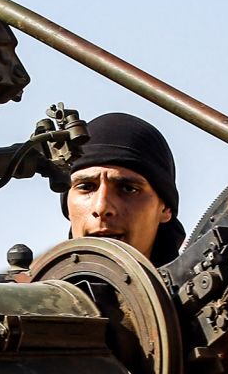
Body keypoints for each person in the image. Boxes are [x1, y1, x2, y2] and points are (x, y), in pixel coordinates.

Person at [55, 113, 187, 264]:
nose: (102, 208)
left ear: (165, 208)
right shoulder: (34, 285)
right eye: (86, 187)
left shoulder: (206, 286)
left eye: (128, 189)